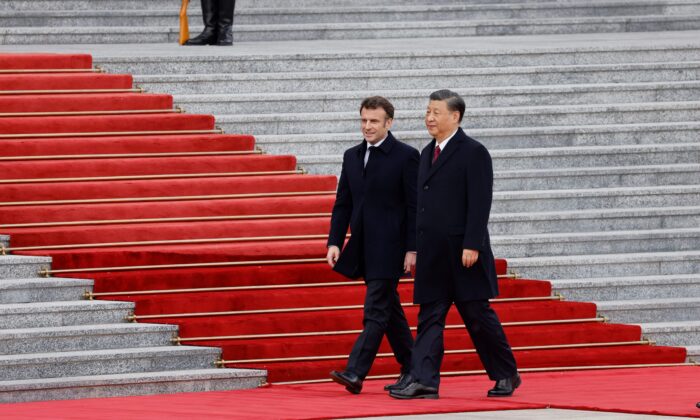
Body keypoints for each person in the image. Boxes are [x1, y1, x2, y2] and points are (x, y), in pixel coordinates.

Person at [389, 90, 520, 400]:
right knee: (429, 317)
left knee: (477, 316)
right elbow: (421, 205)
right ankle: (425, 380)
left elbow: (480, 202)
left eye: (436, 112)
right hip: (433, 253)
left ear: (455, 116)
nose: (429, 117)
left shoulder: (473, 152)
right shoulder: (426, 153)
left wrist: (473, 243)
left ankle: (506, 373)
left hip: (464, 253)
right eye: (427, 111)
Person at [326, 96, 419, 394]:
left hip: (392, 246)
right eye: (364, 120)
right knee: (389, 310)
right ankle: (415, 368)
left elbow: (415, 206)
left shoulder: (406, 156)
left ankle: (355, 372)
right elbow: (343, 203)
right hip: (363, 245)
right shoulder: (351, 155)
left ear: (389, 123)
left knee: (376, 309)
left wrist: (412, 248)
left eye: (374, 121)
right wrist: (335, 242)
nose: (367, 126)